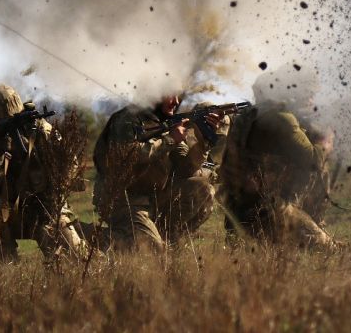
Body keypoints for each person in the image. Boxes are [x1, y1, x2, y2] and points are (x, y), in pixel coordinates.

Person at [0, 84, 88, 262]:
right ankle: (6, 261)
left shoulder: (40, 130)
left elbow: (71, 166)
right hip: (9, 215)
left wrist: (53, 192)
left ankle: (93, 243)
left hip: (46, 211)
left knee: (76, 260)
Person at [219, 69, 337, 250]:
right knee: (330, 249)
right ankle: (312, 231)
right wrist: (325, 141)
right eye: (308, 93)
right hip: (266, 214)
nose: (311, 99)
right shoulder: (281, 118)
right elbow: (314, 160)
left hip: (239, 214)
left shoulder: (249, 116)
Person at [92, 95, 220, 251]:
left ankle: (169, 246)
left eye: (178, 96)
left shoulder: (165, 123)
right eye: (171, 94)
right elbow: (127, 155)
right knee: (150, 249)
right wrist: (169, 140)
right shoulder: (127, 118)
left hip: (154, 198)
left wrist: (204, 143)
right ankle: (84, 235)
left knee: (203, 189)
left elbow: (185, 170)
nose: (176, 101)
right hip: (122, 200)